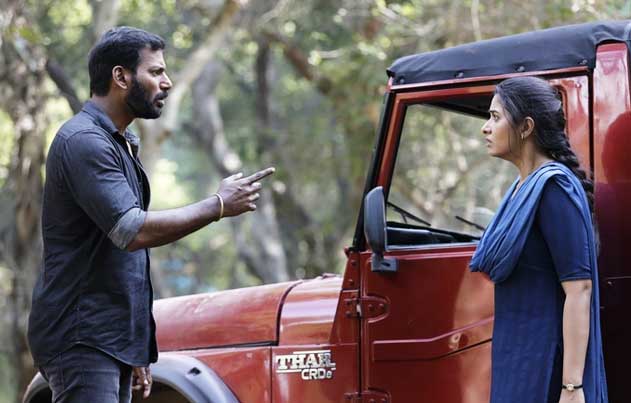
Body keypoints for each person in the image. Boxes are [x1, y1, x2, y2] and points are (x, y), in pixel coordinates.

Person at [27, 26, 274, 403]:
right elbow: (132, 231)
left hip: (108, 340)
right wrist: (218, 205)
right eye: (156, 72)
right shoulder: (84, 142)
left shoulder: (121, 142)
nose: (167, 82)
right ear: (121, 77)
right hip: (82, 338)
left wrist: (135, 345)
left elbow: (124, 260)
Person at [470, 76, 608, 403]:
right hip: (516, 356)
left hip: (546, 365)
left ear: (526, 127)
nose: (485, 128)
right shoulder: (520, 189)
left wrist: (572, 388)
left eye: (495, 117)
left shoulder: (553, 188)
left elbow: (579, 288)